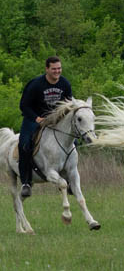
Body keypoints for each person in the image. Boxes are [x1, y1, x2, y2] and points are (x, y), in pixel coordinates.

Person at [18, 56, 73, 198]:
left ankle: (69, 181)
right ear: (47, 69)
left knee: (74, 142)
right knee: (24, 144)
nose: (57, 71)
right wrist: (37, 119)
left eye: (59, 68)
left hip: (55, 120)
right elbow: (24, 105)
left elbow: (68, 104)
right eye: (54, 69)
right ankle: (26, 182)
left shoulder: (65, 84)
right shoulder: (36, 84)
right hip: (34, 119)